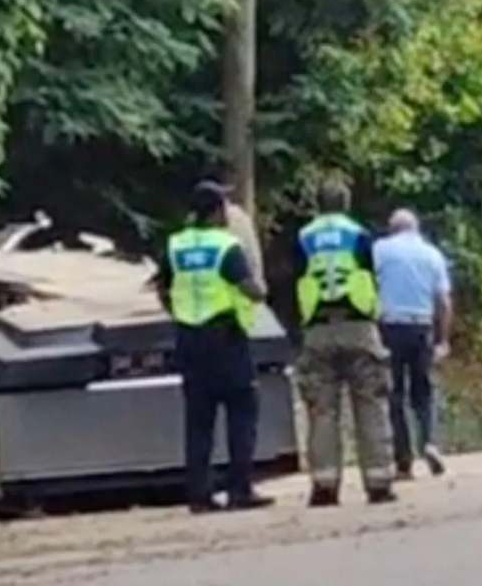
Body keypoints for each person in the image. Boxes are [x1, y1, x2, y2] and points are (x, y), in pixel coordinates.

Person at [155, 180, 274, 514]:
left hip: (188, 339)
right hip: (226, 337)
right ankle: (240, 489)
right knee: (242, 410)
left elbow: (163, 290)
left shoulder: (174, 246)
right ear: (217, 211)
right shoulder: (225, 246)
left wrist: (180, 312)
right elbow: (249, 287)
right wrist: (259, 295)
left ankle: (199, 494)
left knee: (198, 420)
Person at [290, 180, 396, 507]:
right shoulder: (360, 234)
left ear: (317, 204)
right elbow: (369, 275)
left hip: (318, 328)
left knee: (322, 409)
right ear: (346, 203)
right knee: (370, 402)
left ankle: (324, 485)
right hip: (358, 325)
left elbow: (296, 277)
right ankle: (378, 482)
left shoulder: (303, 237)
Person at [372, 209, 452, 480]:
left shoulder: (380, 250)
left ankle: (403, 460)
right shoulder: (432, 254)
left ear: (392, 229)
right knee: (424, 390)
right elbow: (443, 301)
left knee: (394, 394)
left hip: (390, 326)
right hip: (422, 326)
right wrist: (443, 339)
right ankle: (429, 442)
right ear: (416, 229)